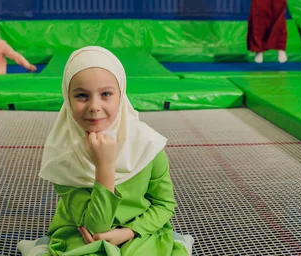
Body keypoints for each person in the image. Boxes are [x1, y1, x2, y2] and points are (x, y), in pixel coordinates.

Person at [18, 46, 192, 255]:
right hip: (81, 232)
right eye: (82, 95)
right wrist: (105, 167)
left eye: (106, 94)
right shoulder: (63, 153)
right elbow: (95, 228)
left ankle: (178, 241)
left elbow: (164, 205)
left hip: (139, 230)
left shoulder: (147, 144)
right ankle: (43, 246)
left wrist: (128, 232)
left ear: (121, 95)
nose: (94, 106)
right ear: (67, 98)